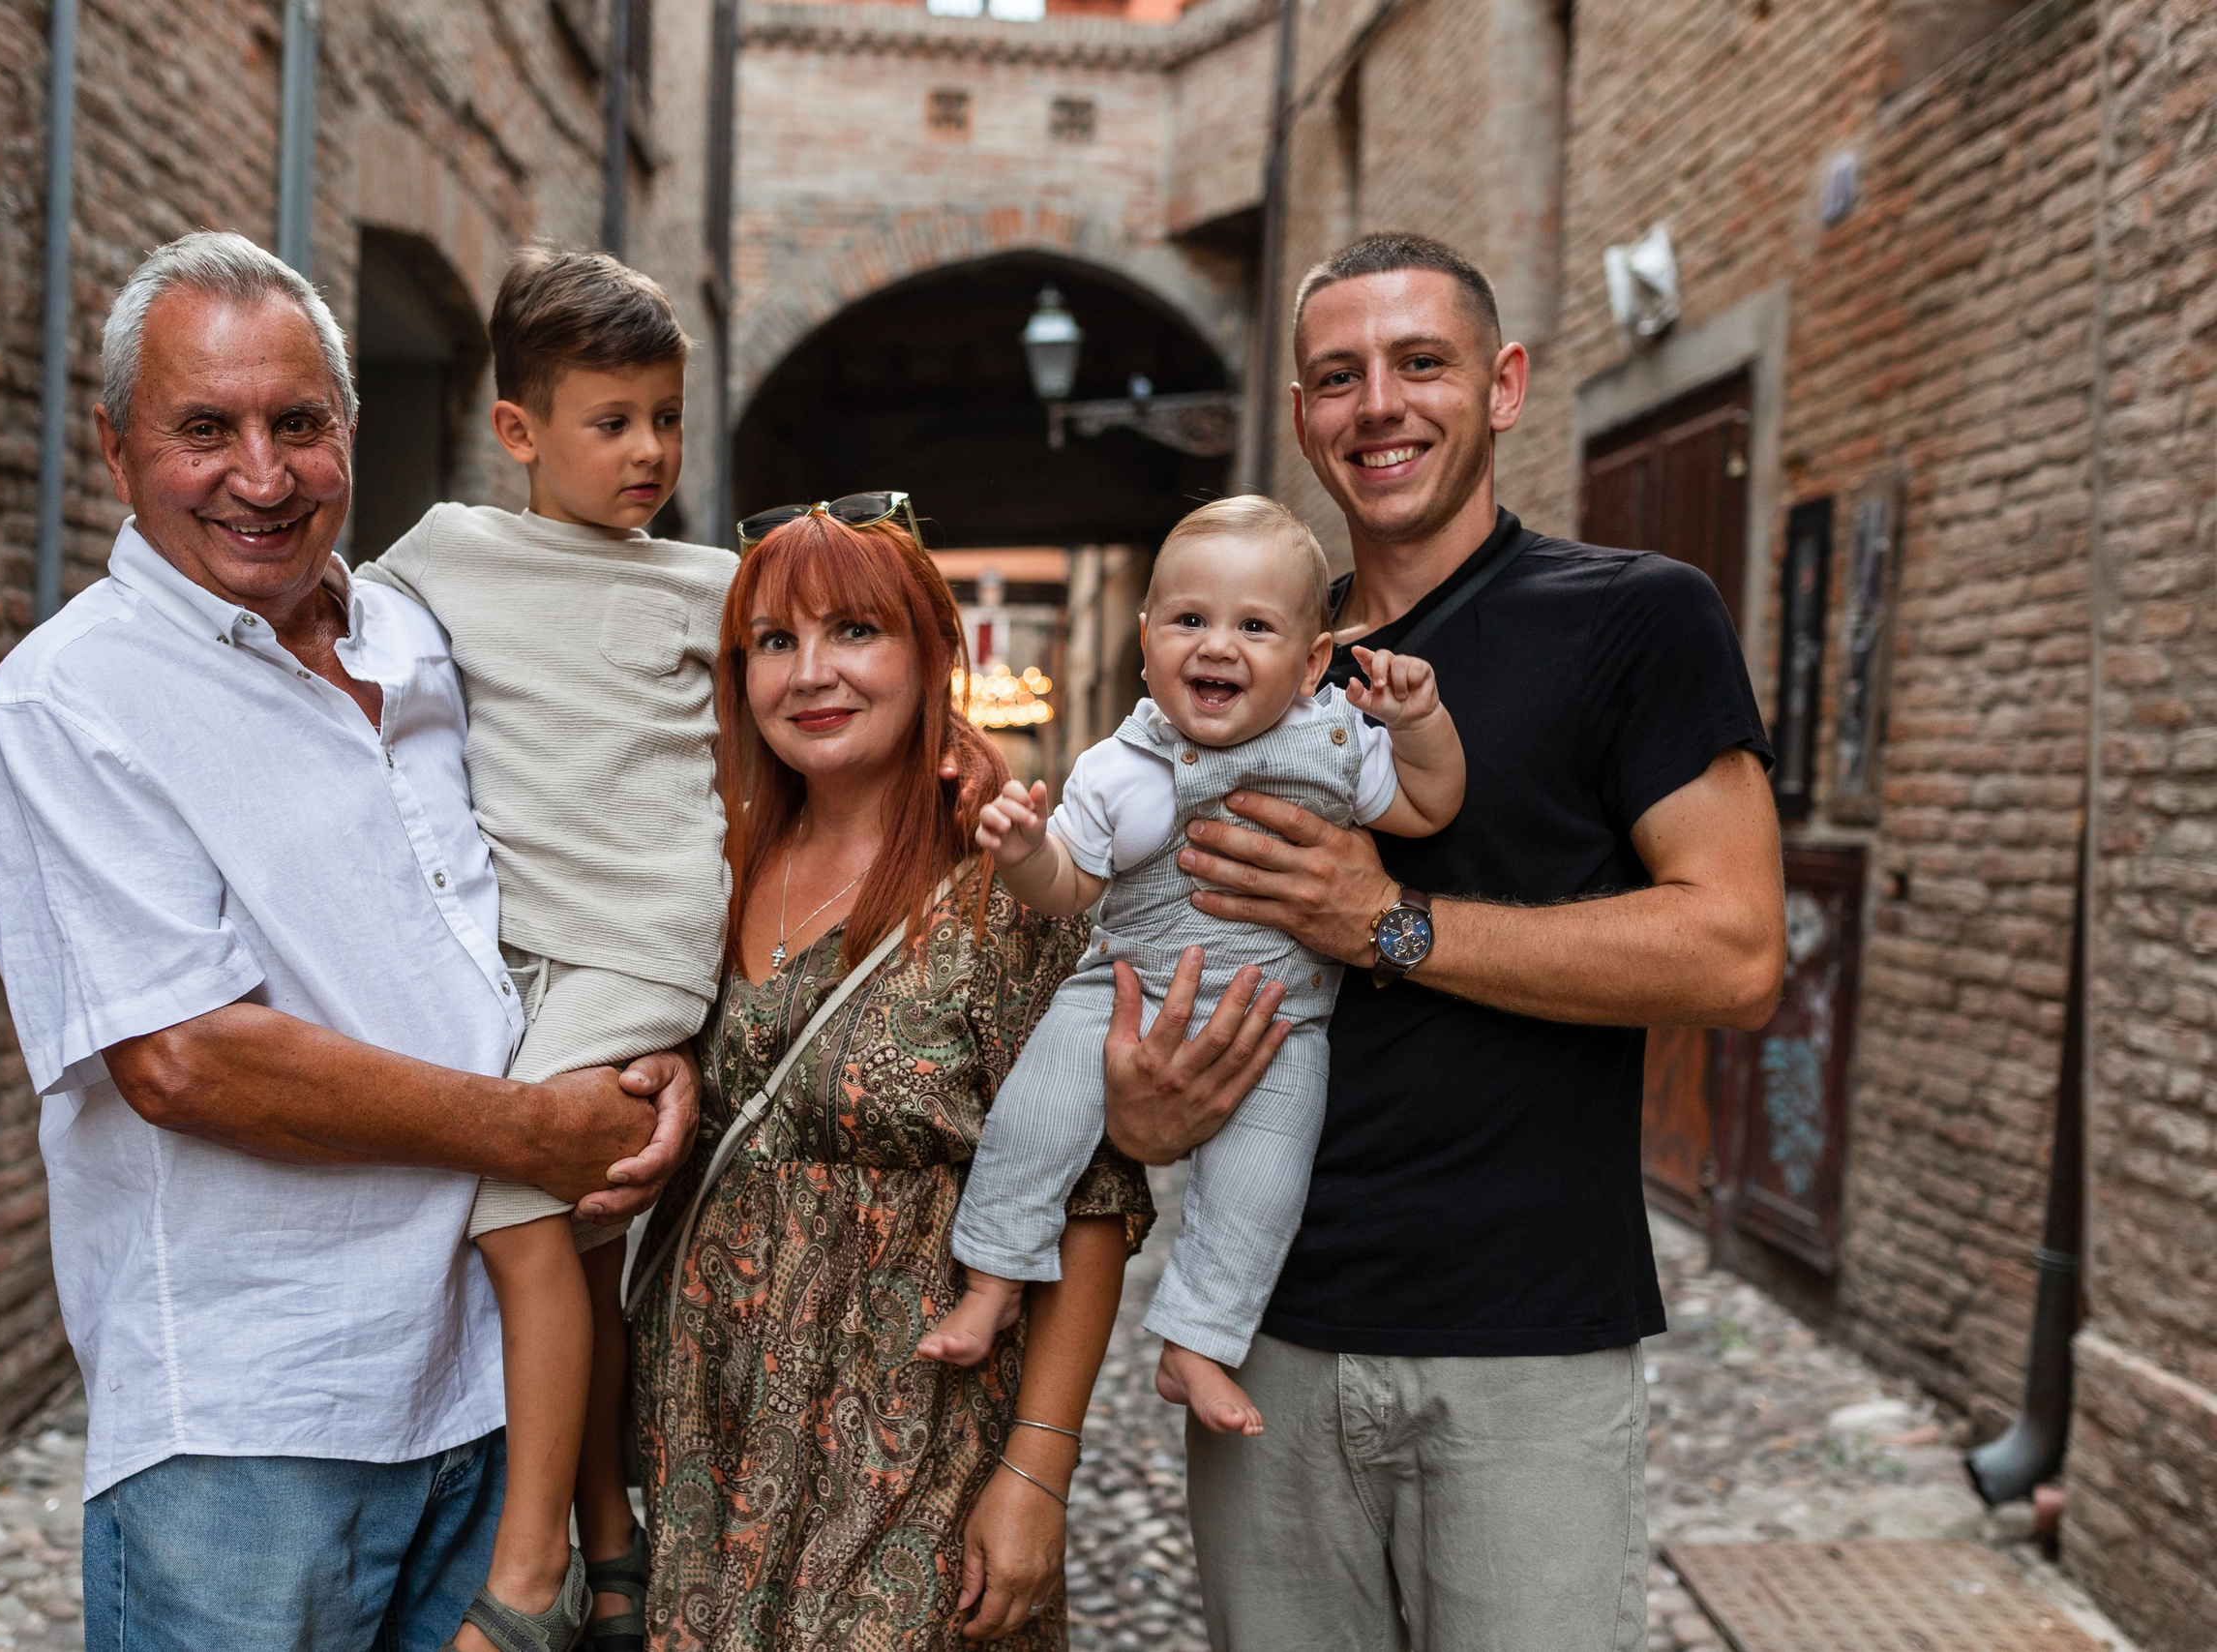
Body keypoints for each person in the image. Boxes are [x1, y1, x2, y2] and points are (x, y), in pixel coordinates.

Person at [0, 231, 697, 1651]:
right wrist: (538, 1130)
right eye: (204, 430)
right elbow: (185, 1058)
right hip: (255, 1424)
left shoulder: (420, 641)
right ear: (117, 451)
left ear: (348, 432)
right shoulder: (71, 702)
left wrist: (646, 1040)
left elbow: (596, 826)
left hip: (488, 1388)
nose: (261, 472)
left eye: (298, 423)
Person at [1101, 231, 1787, 1648]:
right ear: (1300, 415)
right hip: (1268, 1339)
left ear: (1504, 386)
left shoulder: (1635, 619)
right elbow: (1143, 945)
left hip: (1525, 1347)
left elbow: (1733, 949)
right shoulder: (1244, 661)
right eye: (1338, 376)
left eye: (1423, 364)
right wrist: (1138, 1103)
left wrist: (1389, 923)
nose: (1380, 406)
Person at [628, 499, 1153, 1649]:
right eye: (773, 641)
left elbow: (1093, 1198)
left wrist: (1038, 1471)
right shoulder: (709, 865)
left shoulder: (1006, 885)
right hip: (702, 1434)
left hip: (918, 1439)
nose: (810, 673)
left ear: (928, 654)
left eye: (854, 631)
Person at [355, 246, 729, 1652]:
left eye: (667, 417)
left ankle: (523, 1583)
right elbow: (333, 633)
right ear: (519, 429)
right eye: (612, 419)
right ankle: (617, 1548)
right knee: (576, 1256)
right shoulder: (447, 553)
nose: (648, 450)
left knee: (516, 1216)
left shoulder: (710, 583)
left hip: (641, 944)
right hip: (522, 959)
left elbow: (817, 702)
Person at [920, 496, 1463, 1444]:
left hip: (1280, 1020)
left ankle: (1198, 1340)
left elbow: (1428, 808)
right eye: (1189, 620)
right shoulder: (1118, 766)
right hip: (1121, 988)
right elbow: (1070, 887)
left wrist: (1418, 724)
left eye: (1254, 626)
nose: (1217, 645)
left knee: (1263, 1181)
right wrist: (1020, 854)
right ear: (1145, 642)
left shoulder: (1337, 742)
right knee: (1033, 1117)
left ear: (1309, 664)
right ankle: (993, 1281)